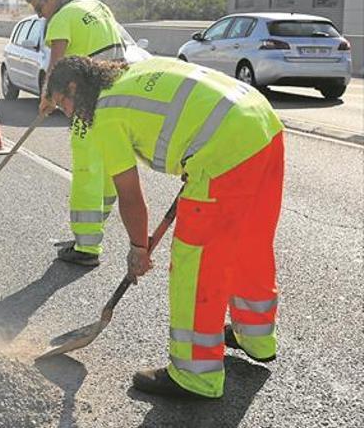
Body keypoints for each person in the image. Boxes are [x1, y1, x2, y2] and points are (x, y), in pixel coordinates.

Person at [45, 56, 284, 400]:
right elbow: (184, 110)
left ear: (73, 88)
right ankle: (256, 337)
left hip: (224, 149)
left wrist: (138, 249)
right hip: (262, 125)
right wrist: (195, 154)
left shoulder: (105, 114)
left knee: (196, 264)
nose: (68, 115)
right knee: (250, 243)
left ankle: (194, 375)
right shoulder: (129, 73)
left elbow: (130, 196)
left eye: (62, 105)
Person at [26, 0, 127, 267]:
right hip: (118, 95)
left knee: (86, 169)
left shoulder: (61, 19)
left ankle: (86, 247)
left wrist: (48, 97)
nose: (39, 15)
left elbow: (56, 64)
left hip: (89, 101)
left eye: (38, 7)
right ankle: (93, 234)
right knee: (109, 167)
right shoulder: (97, 6)